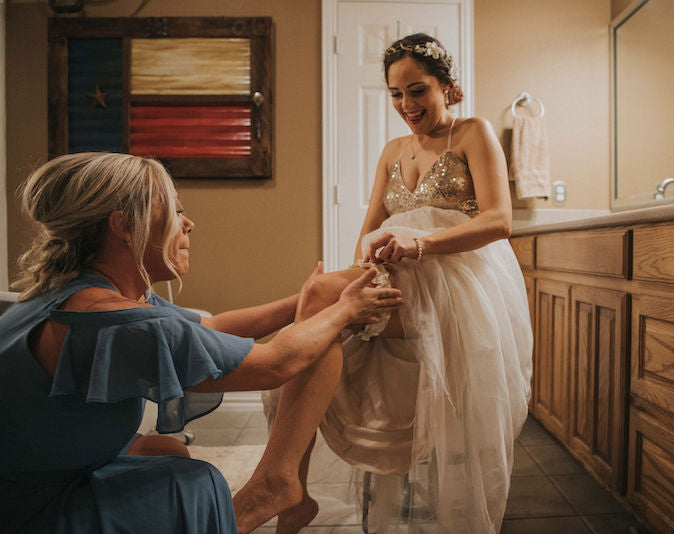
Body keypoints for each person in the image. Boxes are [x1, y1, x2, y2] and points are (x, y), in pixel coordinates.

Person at [0, 152, 403, 534]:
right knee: (195, 483)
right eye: (174, 210)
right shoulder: (109, 320)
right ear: (123, 226)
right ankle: (274, 484)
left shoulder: (79, 291)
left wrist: (309, 300)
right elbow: (276, 364)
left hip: (31, 470)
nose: (188, 223)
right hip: (29, 509)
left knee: (167, 452)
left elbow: (212, 326)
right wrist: (344, 311)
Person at [270, 34, 533, 533]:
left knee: (312, 303)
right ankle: (287, 484)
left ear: (447, 88)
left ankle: (283, 483)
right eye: (396, 94)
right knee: (316, 306)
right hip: (401, 283)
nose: (406, 105)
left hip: (459, 286)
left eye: (418, 91)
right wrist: (361, 274)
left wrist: (420, 246)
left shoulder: (473, 133)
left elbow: (500, 222)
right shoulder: (393, 150)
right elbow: (367, 232)